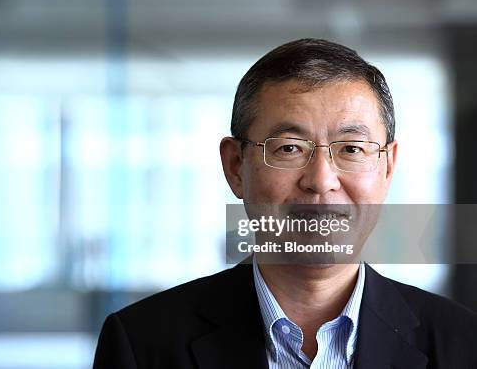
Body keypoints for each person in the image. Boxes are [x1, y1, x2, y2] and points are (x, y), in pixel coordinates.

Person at [93, 38, 477, 368]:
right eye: (289, 148)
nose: (321, 181)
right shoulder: (143, 344)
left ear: (388, 167)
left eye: (351, 148)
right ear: (236, 166)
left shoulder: (462, 344)